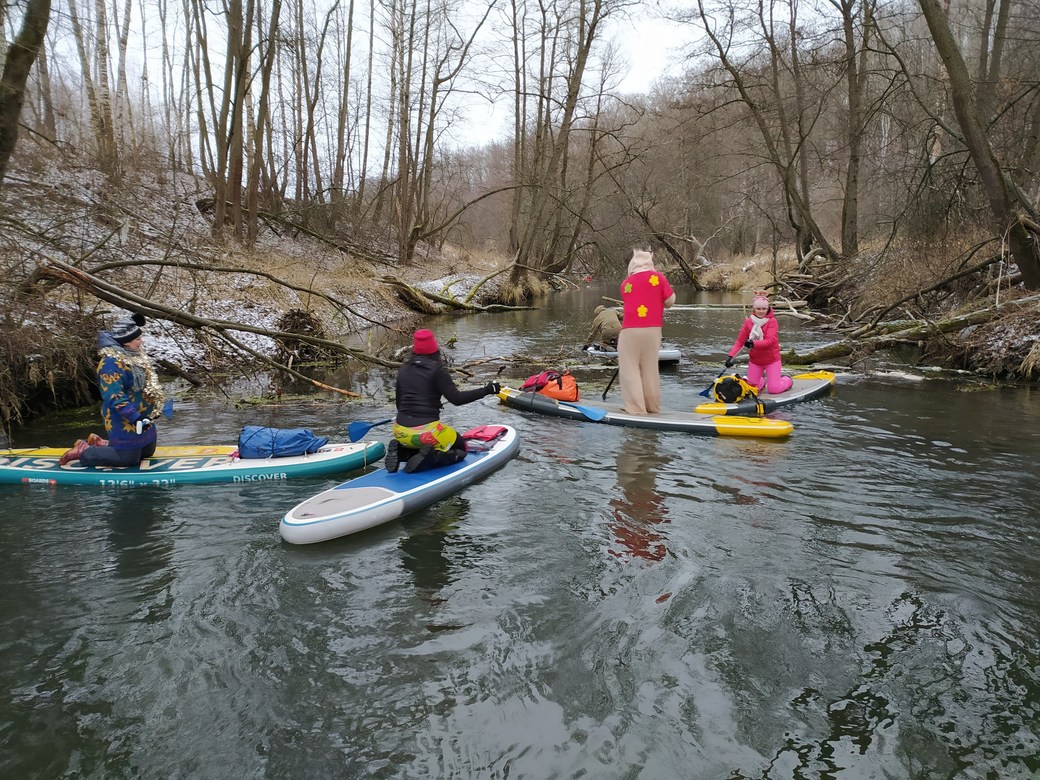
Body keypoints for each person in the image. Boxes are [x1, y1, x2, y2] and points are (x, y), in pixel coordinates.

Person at [385, 329, 500, 474]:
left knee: (423, 442)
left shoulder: (404, 370)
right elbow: (456, 399)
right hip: (426, 433)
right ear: (434, 348)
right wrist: (487, 390)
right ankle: (429, 457)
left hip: (399, 431)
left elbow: (399, 405)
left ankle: (403, 452)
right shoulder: (437, 370)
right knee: (462, 448)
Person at [59, 313, 167, 467]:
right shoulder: (111, 364)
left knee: (147, 451)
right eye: (138, 339)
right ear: (126, 342)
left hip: (143, 417)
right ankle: (85, 450)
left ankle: (102, 444)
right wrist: (134, 417)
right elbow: (114, 396)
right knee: (128, 460)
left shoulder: (135, 357)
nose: (141, 342)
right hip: (124, 418)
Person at [618, 247, 675, 415]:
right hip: (653, 329)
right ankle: (652, 406)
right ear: (650, 263)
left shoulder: (625, 284)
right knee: (650, 368)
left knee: (630, 368)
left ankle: (636, 408)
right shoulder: (659, 278)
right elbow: (670, 301)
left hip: (630, 330)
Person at [725, 292, 793, 395]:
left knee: (774, 389)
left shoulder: (772, 322)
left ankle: (787, 380)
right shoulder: (748, 322)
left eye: (764, 309)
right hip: (755, 361)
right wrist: (731, 357)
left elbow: (770, 341)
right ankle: (762, 381)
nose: (761, 311)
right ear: (754, 309)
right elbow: (740, 342)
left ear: (768, 309)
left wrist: (753, 343)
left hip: (772, 361)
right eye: (758, 309)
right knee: (751, 389)